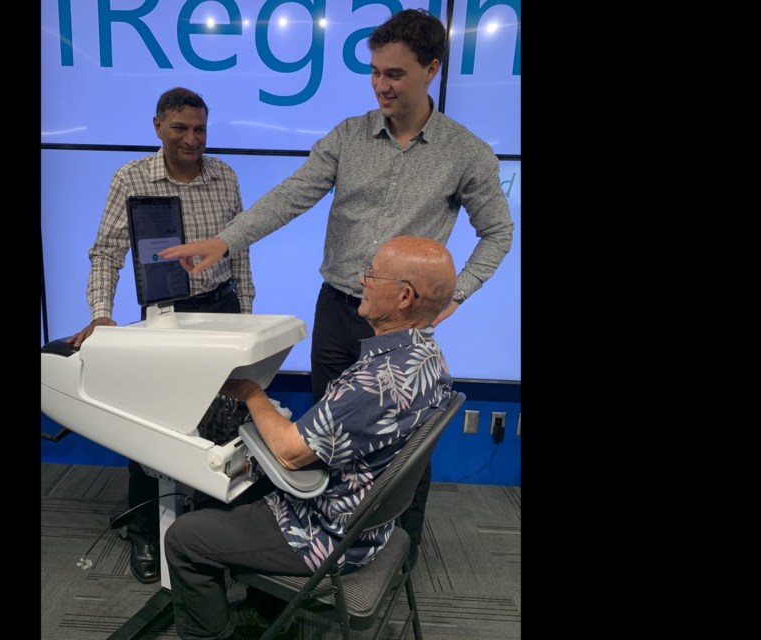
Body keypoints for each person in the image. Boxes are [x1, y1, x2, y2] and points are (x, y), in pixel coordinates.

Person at [159, 8, 513, 566]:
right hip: (339, 310)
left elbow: (497, 234)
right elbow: (291, 195)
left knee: (401, 450)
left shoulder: (465, 152)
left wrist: (456, 293)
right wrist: (225, 242)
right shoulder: (349, 136)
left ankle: (398, 553)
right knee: (325, 438)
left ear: (432, 70)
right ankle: (315, 548)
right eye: (375, 72)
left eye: (394, 74)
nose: (381, 85)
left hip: (402, 326)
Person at [164, 235, 456, 640]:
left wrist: (251, 393)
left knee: (184, 538)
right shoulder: (429, 359)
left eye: (372, 274)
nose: (362, 280)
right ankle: (264, 612)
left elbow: (288, 452)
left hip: (330, 536)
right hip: (373, 523)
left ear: (404, 297)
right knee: (239, 492)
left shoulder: (376, 383)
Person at [66, 87, 255, 585]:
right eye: (180, 128)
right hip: (166, 316)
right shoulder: (131, 178)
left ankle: (214, 532)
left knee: (223, 423)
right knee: (151, 425)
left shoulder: (225, 176)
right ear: (157, 127)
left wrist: (248, 315)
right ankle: (147, 530)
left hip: (222, 310)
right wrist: (101, 314)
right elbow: (105, 252)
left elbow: (240, 251)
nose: (192, 139)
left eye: (200, 129)